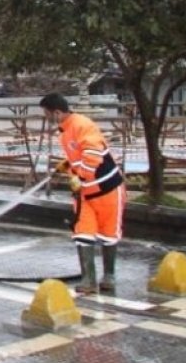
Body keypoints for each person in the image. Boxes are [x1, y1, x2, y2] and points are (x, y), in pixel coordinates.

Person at [40, 93, 127, 294]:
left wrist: (81, 176)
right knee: (83, 233)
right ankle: (88, 280)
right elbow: (80, 154)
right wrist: (69, 164)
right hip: (85, 194)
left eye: (47, 114)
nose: (46, 118)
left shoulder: (82, 124)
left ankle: (109, 277)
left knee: (108, 234)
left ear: (57, 112)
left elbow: (93, 154)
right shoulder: (65, 130)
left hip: (107, 189)